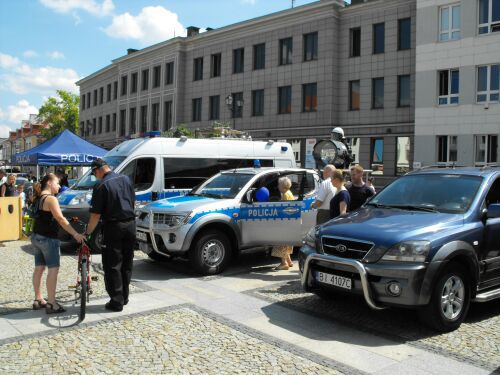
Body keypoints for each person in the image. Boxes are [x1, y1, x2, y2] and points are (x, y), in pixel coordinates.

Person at [85, 158, 136, 312]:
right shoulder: (126, 179)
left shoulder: (101, 185)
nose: (95, 177)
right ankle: (124, 296)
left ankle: (116, 301)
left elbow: (95, 215)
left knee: (113, 264)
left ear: (98, 170)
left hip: (113, 227)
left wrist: (88, 233)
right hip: (130, 225)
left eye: (94, 174)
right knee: (127, 262)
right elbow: (132, 202)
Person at [30, 174, 86, 313]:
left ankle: (38, 299)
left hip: (36, 237)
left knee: (39, 269)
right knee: (53, 270)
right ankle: (51, 304)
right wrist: (75, 234)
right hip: (49, 239)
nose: (59, 186)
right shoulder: (51, 199)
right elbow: (60, 219)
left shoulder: (38, 198)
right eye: (57, 183)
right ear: (49, 183)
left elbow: (48, 216)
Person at [271, 176, 295, 271]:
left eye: (278, 184)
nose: (277, 186)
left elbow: (284, 210)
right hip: (290, 223)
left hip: (286, 223)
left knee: (281, 243)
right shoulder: (289, 193)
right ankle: (289, 261)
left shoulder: (285, 195)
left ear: (282, 185)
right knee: (286, 243)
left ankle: (283, 263)